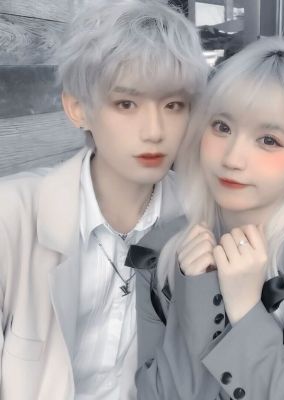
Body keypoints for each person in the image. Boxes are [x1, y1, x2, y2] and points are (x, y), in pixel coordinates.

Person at [134, 37, 284, 400]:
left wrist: (247, 311)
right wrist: (197, 295)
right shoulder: (160, 252)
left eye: (268, 140)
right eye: (222, 127)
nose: (232, 158)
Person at [0, 1, 208, 399]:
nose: (154, 131)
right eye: (126, 103)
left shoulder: (199, 217)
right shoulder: (12, 216)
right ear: (77, 108)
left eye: (173, 105)